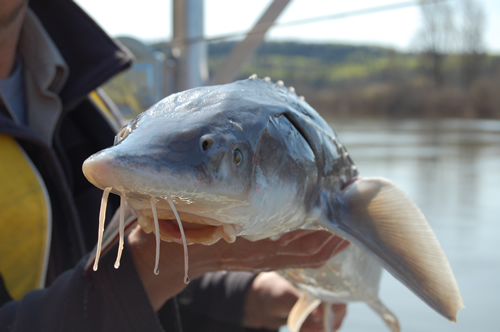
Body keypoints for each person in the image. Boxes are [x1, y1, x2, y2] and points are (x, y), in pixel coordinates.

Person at [0, 0, 347, 331]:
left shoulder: (76, 86)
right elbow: (131, 273)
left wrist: (250, 298)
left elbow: (113, 276)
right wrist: (153, 266)